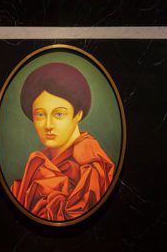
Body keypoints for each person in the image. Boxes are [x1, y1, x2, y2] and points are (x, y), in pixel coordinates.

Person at [10, 62, 114, 222]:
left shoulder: (93, 167)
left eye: (59, 114)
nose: (48, 125)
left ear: (78, 115)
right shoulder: (38, 164)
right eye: (40, 115)